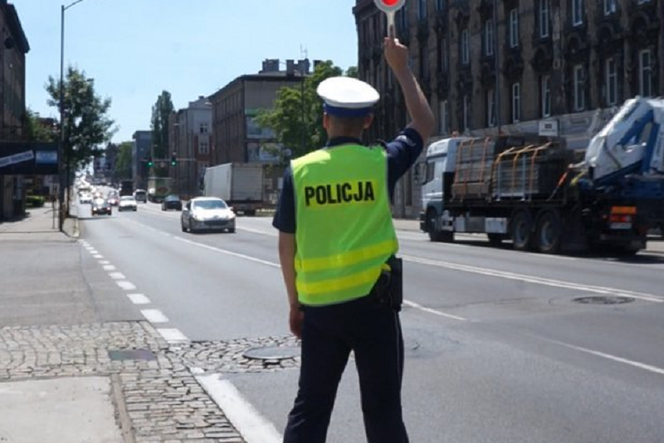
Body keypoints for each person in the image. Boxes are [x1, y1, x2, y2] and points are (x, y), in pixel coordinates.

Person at [272, 27, 434, 443]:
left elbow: (286, 244)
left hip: (320, 311)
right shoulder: (380, 162)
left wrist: (294, 304)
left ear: (325, 119)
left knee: (311, 409)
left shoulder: (299, 172)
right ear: (367, 121)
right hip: (374, 310)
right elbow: (424, 123)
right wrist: (401, 67)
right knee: (383, 413)